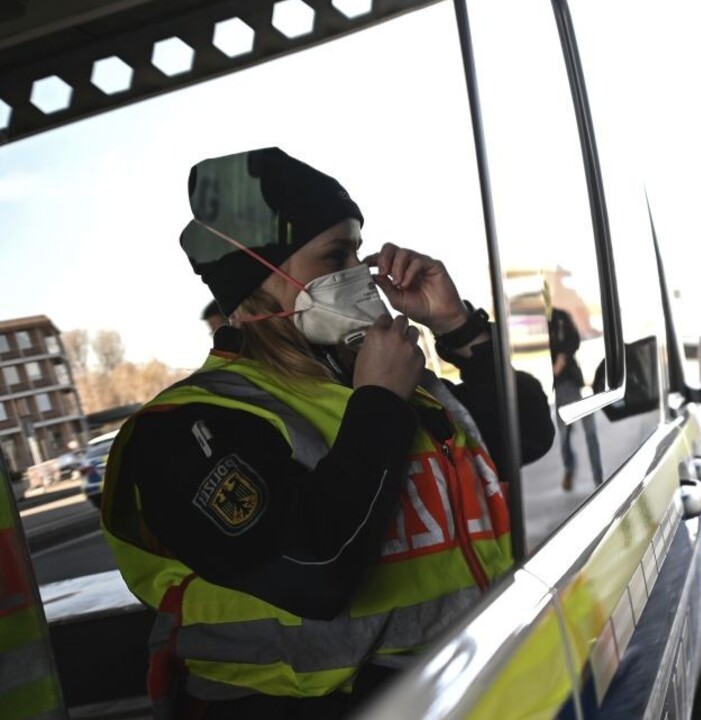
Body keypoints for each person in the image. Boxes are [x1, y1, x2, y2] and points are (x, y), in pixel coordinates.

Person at [101, 147, 554, 719]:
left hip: (462, 688)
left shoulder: (384, 379)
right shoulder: (188, 428)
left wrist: (455, 326)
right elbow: (315, 573)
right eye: (335, 255)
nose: (361, 274)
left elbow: (530, 435)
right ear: (260, 278)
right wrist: (380, 406)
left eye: (359, 253)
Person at [549, 306, 602, 490]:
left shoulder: (560, 316)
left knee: (589, 433)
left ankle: (598, 476)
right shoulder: (534, 323)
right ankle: (570, 468)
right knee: (564, 434)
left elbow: (574, 340)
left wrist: (561, 359)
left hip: (572, 380)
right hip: (558, 386)